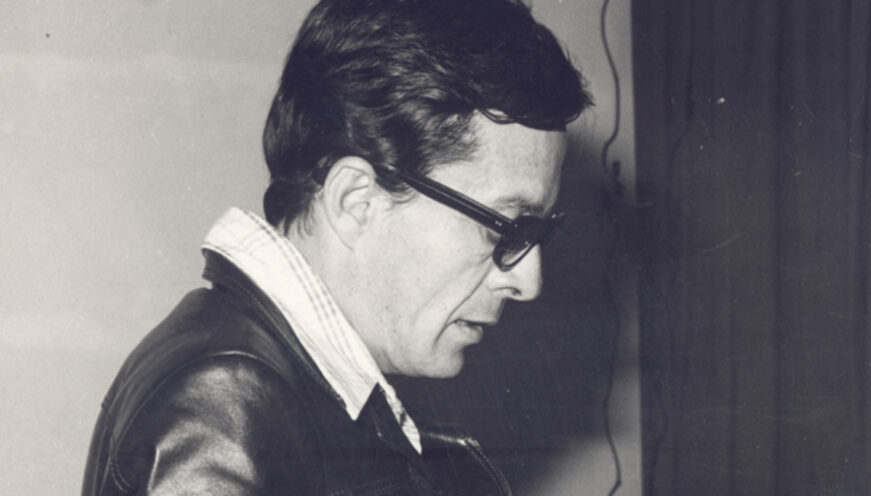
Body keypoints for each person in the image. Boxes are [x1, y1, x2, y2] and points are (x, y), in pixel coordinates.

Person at [81, 0, 589, 494]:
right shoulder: (226, 405)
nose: (529, 281)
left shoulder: (276, 389)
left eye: (537, 235)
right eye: (504, 229)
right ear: (356, 201)